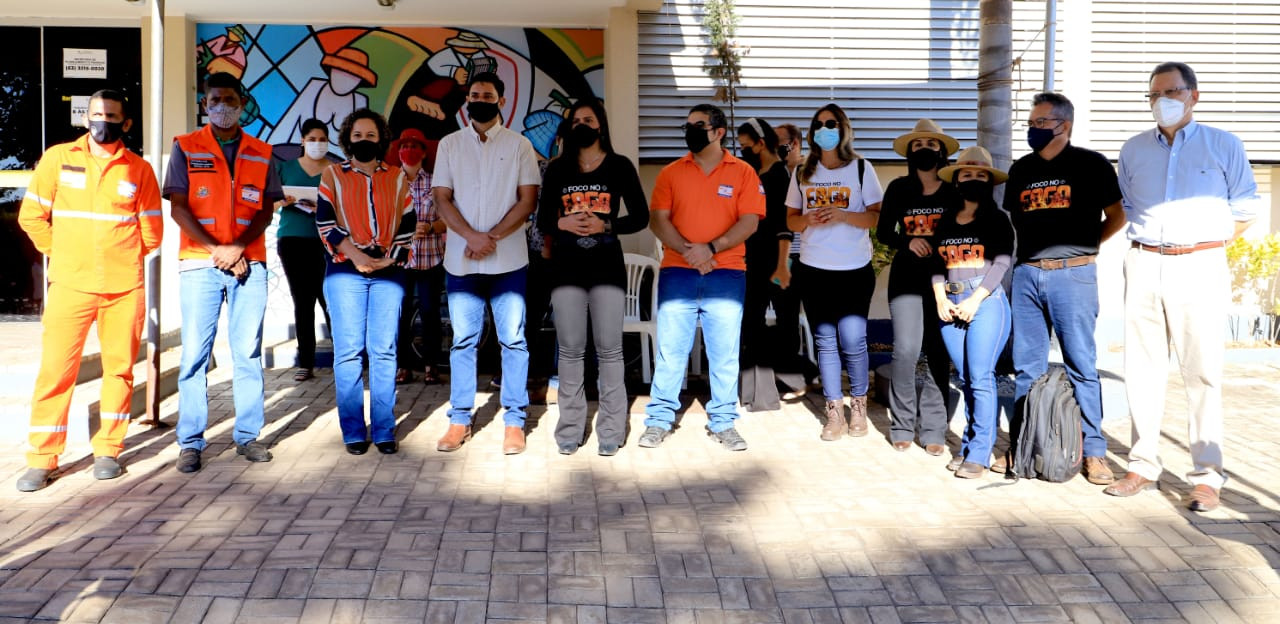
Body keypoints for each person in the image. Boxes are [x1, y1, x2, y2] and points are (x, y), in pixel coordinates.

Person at [1106, 62, 1261, 510]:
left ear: (1194, 95)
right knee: (1142, 369)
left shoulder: (1224, 144)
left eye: (1171, 92)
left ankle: (1207, 476)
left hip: (1200, 263)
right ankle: (1142, 465)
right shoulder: (1133, 148)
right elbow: (1127, 204)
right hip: (1143, 261)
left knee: (1203, 371)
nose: (1162, 101)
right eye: (1154, 94)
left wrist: (1205, 246)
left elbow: (1245, 208)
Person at [14, 89, 163, 492]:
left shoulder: (139, 170)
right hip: (71, 285)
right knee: (56, 372)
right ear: (86, 118)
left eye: (112, 116)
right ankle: (42, 458)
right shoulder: (58, 158)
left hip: (123, 288)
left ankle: (108, 450)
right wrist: (61, 253)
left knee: (119, 370)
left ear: (125, 123)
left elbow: (152, 232)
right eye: (97, 114)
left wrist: (122, 257)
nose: (103, 122)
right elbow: (32, 216)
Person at [1003, 92, 1127, 483]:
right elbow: (1017, 221)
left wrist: (1087, 248)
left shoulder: (1091, 164)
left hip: (1073, 276)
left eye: (1041, 122)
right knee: (1027, 367)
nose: (1033, 129)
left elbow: (1118, 215)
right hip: (1027, 275)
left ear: (1064, 125)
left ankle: (1094, 452)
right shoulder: (1021, 169)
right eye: (1030, 123)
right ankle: (1024, 445)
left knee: (1081, 365)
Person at [166, 72, 281, 473]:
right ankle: (190, 442)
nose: (222, 107)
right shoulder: (185, 146)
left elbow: (266, 210)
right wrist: (218, 250)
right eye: (215, 100)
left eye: (230, 100)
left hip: (251, 263)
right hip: (200, 264)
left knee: (247, 352)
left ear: (241, 104)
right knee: (195, 355)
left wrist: (237, 248)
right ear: (204, 104)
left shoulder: (261, 152)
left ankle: (247, 436)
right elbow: (178, 208)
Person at [639, 103, 765, 451]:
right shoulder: (671, 173)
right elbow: (658, 220)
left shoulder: (743, 173)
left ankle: (723, 422)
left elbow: (749, 222)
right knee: (671, 351)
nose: (690, 131)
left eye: (698, 125)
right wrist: (690, 252)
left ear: (719, 132)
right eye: (688, 126)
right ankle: (659, 420)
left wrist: (710, 249)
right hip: (678, 272)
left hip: (726, 274)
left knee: (724, 354)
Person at [431, 72, 541, 455]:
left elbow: (528, 200)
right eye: (474, 95)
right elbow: (441, 198)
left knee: (513, 340)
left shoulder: (520, 145)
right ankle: (460, 418)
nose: (480, 100)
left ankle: (514, 421)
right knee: (463, 341)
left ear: (501, 101)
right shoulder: (450, 144)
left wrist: (489, 237)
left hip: (508, 261)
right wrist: (470, 237)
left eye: (487, 95)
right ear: (467, 99)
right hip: (462, 263)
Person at [536, 99, 649, 456]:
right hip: (566, 269)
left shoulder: (619, 166)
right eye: (576, 121)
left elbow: (641, 217)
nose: (582, 125)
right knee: (570, 350)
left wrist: (607, 225)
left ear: (601, 125)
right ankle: (569, 431)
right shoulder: (558, 169)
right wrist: (563, 222)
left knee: (610, 349)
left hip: (606, 268)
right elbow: (542, 219)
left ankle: (611, 431)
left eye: (588, 119)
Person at [316, 109, 415, 455]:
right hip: (345, 270)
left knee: (384, 350)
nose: (364, 140)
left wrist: (391, 258)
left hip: (388, 270)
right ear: (347, 138)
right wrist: (357, 256)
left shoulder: (397, 177)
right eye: (357, 135)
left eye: (371, 135)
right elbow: (325, 223)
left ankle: (384, 429)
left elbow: (408, 223)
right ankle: (354, 431)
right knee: (348, 352)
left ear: (381, 139)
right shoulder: (332, 175)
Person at [785, 103, 882, 441]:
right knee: (825, 342)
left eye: (831, 124)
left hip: (854, 269)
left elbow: (876, 217)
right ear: (812, 132)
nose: (824, 129)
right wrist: (806, 219)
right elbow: (790, 221)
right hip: (814, 269)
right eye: (819, 124)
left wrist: (843, 215)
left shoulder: (861, 168)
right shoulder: (802, 171)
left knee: (853, 341)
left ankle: (859, 406)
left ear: (843, 129)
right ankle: (834, 411)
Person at [877, 119, 960, 456]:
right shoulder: (899, 188)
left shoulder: (955, 189)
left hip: (946, 280)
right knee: (906, 351)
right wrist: (907, 240)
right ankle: (901, 424)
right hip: (906, 279)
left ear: (942, 151)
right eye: (918, 145)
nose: (924, 149)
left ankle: (934, 427)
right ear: (909, 152)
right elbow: (884, 232)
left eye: (931, 144)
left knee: (939, 352)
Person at [931, 146, 1014, 479]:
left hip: (985, 302)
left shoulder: (997, 219)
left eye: (981, 175)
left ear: (990, 181)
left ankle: (979, 452)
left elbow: (1002, 264)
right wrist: (940, 298)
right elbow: (936, 264)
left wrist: (975, 301)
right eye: (967, 174)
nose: (974, 179)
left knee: (980, 377)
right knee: (966, 378)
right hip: (950, 304)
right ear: (957, 179)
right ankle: (967, 445)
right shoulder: (945, 220)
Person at [736, 117, 790, 412]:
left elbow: (783, 226)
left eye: (746, 146)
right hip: (750, 257)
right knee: (750, 323)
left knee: (769, 324)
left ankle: (768, 393)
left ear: (760, 143)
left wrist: (782, 266)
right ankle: (751, 391)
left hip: (771, 259)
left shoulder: (780, 175)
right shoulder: (752, 173)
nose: (743, 151)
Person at [275, 118, 333, 382]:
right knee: (303, 301)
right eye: (312, 139)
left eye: (322, 140)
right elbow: (268, 203)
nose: (317, 144)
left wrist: (324, 207)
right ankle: (306, 362)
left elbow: (344, 206)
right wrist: (282, 201)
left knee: (330, 300)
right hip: (292, 240)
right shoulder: (285, 168)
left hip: (328, 241)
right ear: (302, 140)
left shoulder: (334, 170)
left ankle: (344, 359)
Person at [389, 128, 447, 385]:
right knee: (400, 313)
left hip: (430, 257)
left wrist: (431, 227)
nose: (409, 150)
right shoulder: (390, 181)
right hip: (399, 258)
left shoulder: (436, 182)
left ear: (424, 152)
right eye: (404, 145)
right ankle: (403, 366)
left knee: (430, 311)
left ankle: (431, 365)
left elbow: (449, 219)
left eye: (414, 146)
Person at [771, 123, 820, 396]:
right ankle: (792, 377)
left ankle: (821, 373)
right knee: (786, 319)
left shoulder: (811, 172)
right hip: (785, 258)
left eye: (780, 142)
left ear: (796, 144)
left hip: (812, 256)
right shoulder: (772, 174)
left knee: (818, 318)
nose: (775, 147)